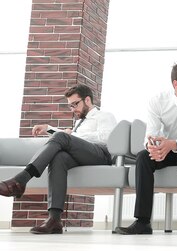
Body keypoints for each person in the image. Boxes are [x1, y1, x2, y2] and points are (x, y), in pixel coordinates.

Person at [0, 85, 117, 234]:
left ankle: (21, 179)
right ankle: (54, 220)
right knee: (59, 157)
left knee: (63, 138)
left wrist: (71, 136)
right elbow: (68, 138)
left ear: (87, 100)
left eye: (75, 104)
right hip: (82, 154)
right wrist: (48, 129)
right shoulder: (79, 123)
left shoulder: (104, 116)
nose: (73, 109)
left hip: (100, 154)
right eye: (70, 106)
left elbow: (106, 138)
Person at [116, 62, 177, 235]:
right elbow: (150, 134)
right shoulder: (158, 101)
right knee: (144, 157)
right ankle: (143, 222)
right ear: (176, 84)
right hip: (166, 150)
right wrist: (153, 147)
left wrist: (173, 144)